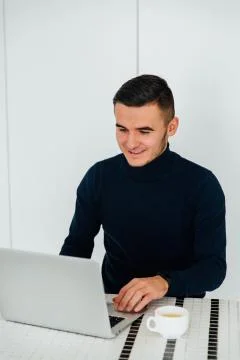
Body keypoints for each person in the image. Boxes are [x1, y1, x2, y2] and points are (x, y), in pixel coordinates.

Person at [60, 74, 226, 313]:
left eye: (144, 131)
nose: (131, 142)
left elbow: (213, 268)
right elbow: (76, 246)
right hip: (113, 305)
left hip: (177, 308)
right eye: (122, 129)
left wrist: (164, 282)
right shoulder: (99, 176)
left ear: (171, 127)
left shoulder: (202, 184)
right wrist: (59, 290)